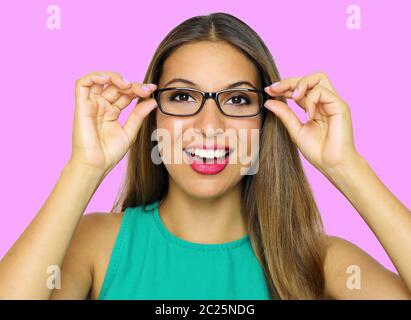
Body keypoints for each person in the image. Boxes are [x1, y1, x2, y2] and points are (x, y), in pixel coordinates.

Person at [0, 12, 410, 300]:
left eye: (236, 99)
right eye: (181, 96)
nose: (209, 125)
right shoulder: (98, 245)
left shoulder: (319, 260)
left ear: (267, 120)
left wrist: (345, 165)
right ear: (152, 115)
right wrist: (84, 168)